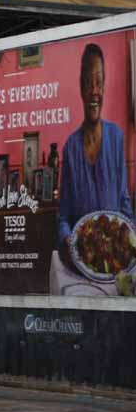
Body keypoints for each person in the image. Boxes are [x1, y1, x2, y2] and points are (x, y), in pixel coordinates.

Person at [57, 43, 133, 265]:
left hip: (115, 259)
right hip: (82, 257)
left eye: (99, 82)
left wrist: (130, 239)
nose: (94, 90)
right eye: (89, 83)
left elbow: (124, 203)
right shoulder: (70, 148)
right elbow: (63, 217)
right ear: (81, 87)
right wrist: (68, 239)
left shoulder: (116, 138)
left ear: (105, 86)